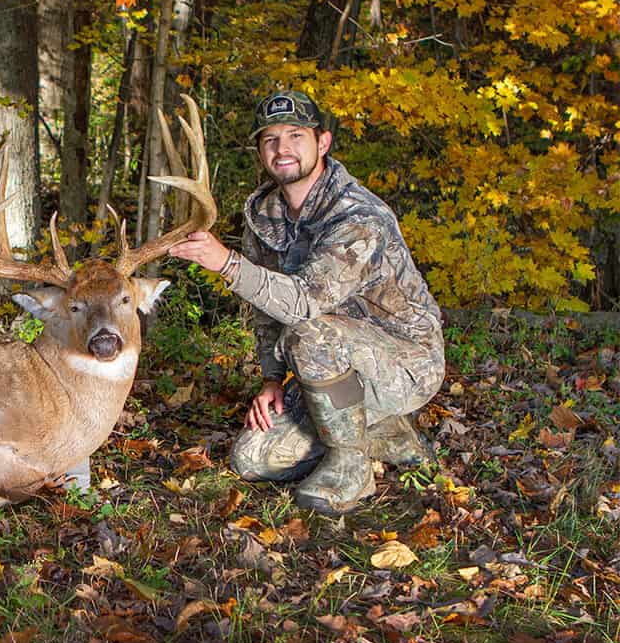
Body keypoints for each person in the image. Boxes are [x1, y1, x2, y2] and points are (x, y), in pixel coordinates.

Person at [168, 90, 444, 516]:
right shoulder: (265, 215)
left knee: (311, 334)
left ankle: (352, 467)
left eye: (296, 135)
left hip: (407, 363)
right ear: (260, 151)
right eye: (270, 139)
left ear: (324, 143)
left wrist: (225, 263)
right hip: (330, 362)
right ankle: (388, 433)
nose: (283, 149)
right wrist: (272, 379)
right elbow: (266, 310)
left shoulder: (357, 216)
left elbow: (302, 305)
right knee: (253, 459)